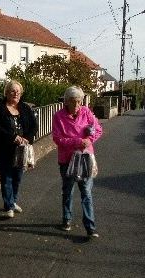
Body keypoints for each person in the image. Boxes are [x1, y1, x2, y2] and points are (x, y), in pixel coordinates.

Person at [52, 86, 103, 238]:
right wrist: (77, 141)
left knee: (86, 192)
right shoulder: (58, 116)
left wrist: (89, 140)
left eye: (79, 102)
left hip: (86, 158)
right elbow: (57, 138)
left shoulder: (87, 113)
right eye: (73, 102)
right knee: (68, 191)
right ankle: (67, 218)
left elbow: (98, 130)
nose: (76, 105)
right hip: (67, 159)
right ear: (66, 101)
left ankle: (90, 226)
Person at [0, 80, 38, 218]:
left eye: (18, 91)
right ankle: (9, 206)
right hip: (3, 150)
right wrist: (12, 137)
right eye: (12, 90)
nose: (15, 93)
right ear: (7, 93)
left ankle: (13, 201)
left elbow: (34, 126)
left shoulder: (25, 108)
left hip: (21, 151)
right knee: (6, 179)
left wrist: (27, 138)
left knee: (17, 178)